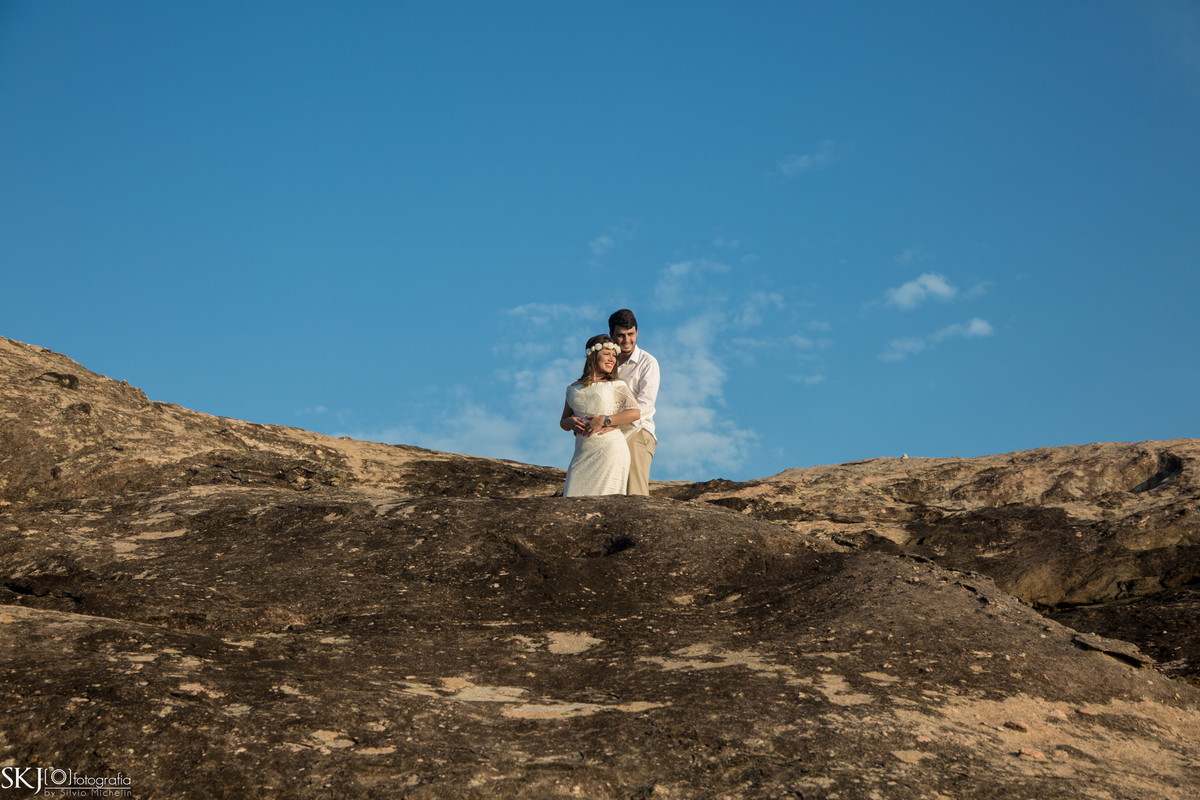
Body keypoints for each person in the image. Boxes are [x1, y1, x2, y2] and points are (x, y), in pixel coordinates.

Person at [560, 334, 642, 497]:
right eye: (606, 354)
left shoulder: (617, 385)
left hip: (610, 450)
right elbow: (563, 421)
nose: (612, 359)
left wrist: (605, 420)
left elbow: (635, 413)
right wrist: (571, 422)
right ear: (592, 356)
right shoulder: (573, 389)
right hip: (582, 454)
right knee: (571, 501)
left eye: (614, 355)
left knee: (605, 505)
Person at [608, 309, 659, 496]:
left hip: (638, 432)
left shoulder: (648, 363)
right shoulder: (608, 363)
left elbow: (644, 406)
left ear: (637, 332)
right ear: (612, 336)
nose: (627, 340)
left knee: (635, 494)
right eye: (621, 336)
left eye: (631, 334)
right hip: (611, 434)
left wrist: (609, 421)